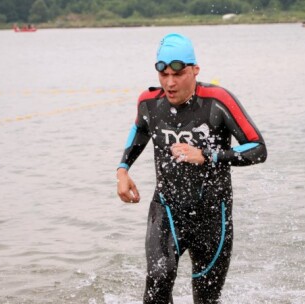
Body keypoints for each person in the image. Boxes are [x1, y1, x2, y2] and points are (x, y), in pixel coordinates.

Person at [116, 33, 267, 303]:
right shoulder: (149, 103)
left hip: (213, 216)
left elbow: (257, 148)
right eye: (163, 75)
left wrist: (208, 155)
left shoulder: (217, 101)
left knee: (206, 298)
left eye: (179, 74)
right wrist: (123, 169)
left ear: (195, 70)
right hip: (167, 209)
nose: (170, 83)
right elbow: (140, 129)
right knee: (158, 282)